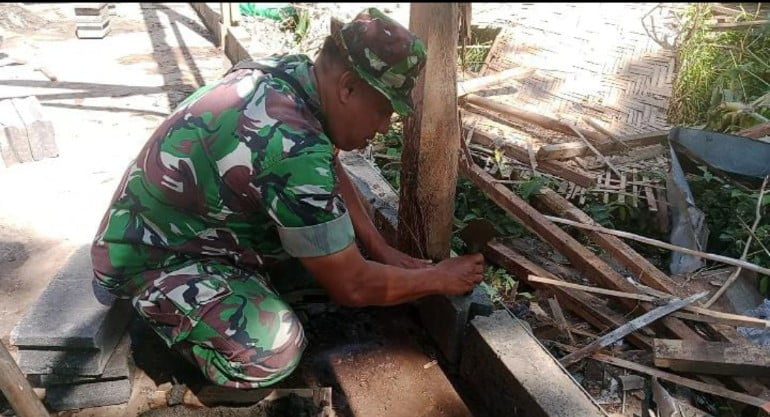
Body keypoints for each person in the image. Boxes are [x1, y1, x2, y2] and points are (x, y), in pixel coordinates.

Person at [91, 7, 484, 389]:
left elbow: (327, 164)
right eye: (383, 111)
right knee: (271, 351)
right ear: (347, 86)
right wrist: (438, 279)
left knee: (324, 259)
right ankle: (172, 328)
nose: (383, 128)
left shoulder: (292, 75)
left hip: (177, 227)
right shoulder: (293, 148)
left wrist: (380, 248)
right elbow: (353, 287)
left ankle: (240, 281)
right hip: (150, 258)